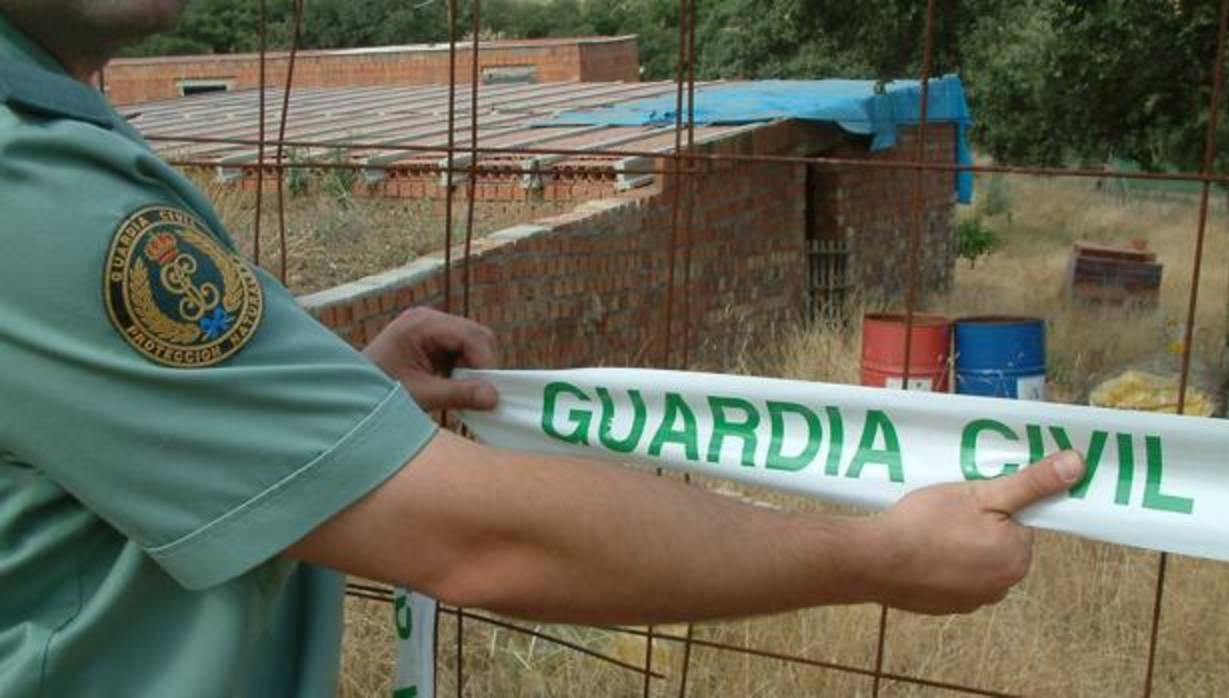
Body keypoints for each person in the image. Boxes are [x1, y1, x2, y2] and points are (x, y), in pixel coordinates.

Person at [0, 2, 1085, 696]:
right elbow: (475, 537)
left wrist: (329, 403)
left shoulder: (60, 145)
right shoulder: (33, 185)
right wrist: (873, 555)